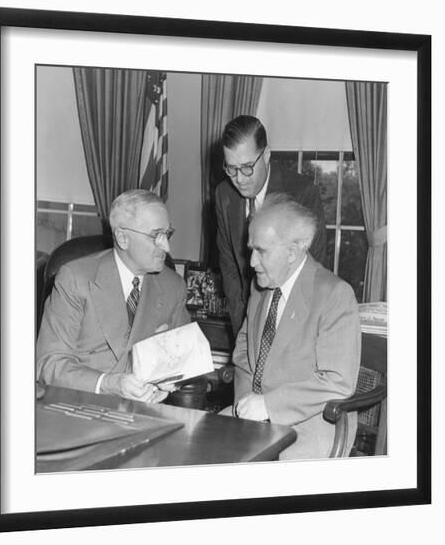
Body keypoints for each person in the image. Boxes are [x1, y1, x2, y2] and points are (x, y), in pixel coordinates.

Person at [228, 193, 360, 460]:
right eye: (251, 248)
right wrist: (247, 403)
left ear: (293, 251)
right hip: (252, 416)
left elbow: (338, 381)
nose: (251, 262)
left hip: (310, 426)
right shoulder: (261, 287)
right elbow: (242, 352)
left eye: (261, 251)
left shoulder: (334, 294)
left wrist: (268, 405)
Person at [36, 189, 190, 402]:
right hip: (80, 408)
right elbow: (49, 364)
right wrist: (109, 383)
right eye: (156, 236)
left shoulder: (173, 286)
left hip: (144, 414)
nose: (167, 246)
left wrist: (169, 380)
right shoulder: (75, 278)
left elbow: (183, 361)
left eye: (168, 234)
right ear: (123, 237)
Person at [215, 115, 327, 336]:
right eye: (231, 168)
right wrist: (244, 331)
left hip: (293, 323)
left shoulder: (302, 193)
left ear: (266, 155)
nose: (239, 178)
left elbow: (312, 271)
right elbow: (229, 269)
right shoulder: (223, 194)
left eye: (247, 167)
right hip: (247, 322)